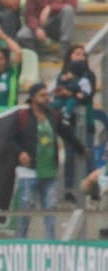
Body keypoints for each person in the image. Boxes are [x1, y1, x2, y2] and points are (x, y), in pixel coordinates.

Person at [12, 82, 83, 238]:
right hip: (29, 171)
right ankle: (20, 241)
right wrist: (20, 153)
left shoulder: (53, 116)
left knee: (50, 209)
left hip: (49, 171)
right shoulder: (22, 117)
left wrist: (82, 149)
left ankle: (51, 243)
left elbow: (67, 134)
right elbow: (11, 139)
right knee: (25, 209)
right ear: (33, 98)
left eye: (47, 95)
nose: (46, 99)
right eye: (42, 95)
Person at [53, 45, 96, 202]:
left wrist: (70, 93)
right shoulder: (63, 75)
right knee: (70, 156)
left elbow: (87, 96)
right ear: (70, 56)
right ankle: (69, 191)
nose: (80, 57)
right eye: (77, 53)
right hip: (69, 123)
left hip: (87, 122)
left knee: (88, 154)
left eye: (83, 55)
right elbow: (59, 92)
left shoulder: (89, 75)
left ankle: (93, 189)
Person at [19, 0, 77, 64]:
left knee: (68, 10)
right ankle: (38, 57)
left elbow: (72, 5)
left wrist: (50, 7)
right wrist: (36, 28)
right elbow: (29, 15)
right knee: (23, 35)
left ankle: (64, 53)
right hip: (39, 25)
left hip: (58, 26)